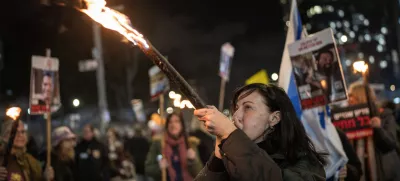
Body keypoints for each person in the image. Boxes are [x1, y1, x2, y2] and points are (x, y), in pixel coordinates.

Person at [193, 83, 326, 181]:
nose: (236, 116)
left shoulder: (303, 163)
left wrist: (231, 135)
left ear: (274, 118)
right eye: (237, 108)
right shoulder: (231, 158)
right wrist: (217, 159)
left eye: (248, 107)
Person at [348, 82, 400, 181]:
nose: (349, 100)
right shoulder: (349, 119)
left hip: (382, 174)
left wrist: (378, 128)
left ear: (361, 97)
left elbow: (390, 144)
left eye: (352, 96)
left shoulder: (384, 115)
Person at [145, 113, 203, 181]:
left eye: (177, 121)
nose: (173, 125)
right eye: (170, 122)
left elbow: (199, 172)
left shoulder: (190, 144)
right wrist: (159, 168)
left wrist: (193, 161)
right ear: (167, 125)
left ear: (182, 125)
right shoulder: (159, 144)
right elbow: (148, 169)